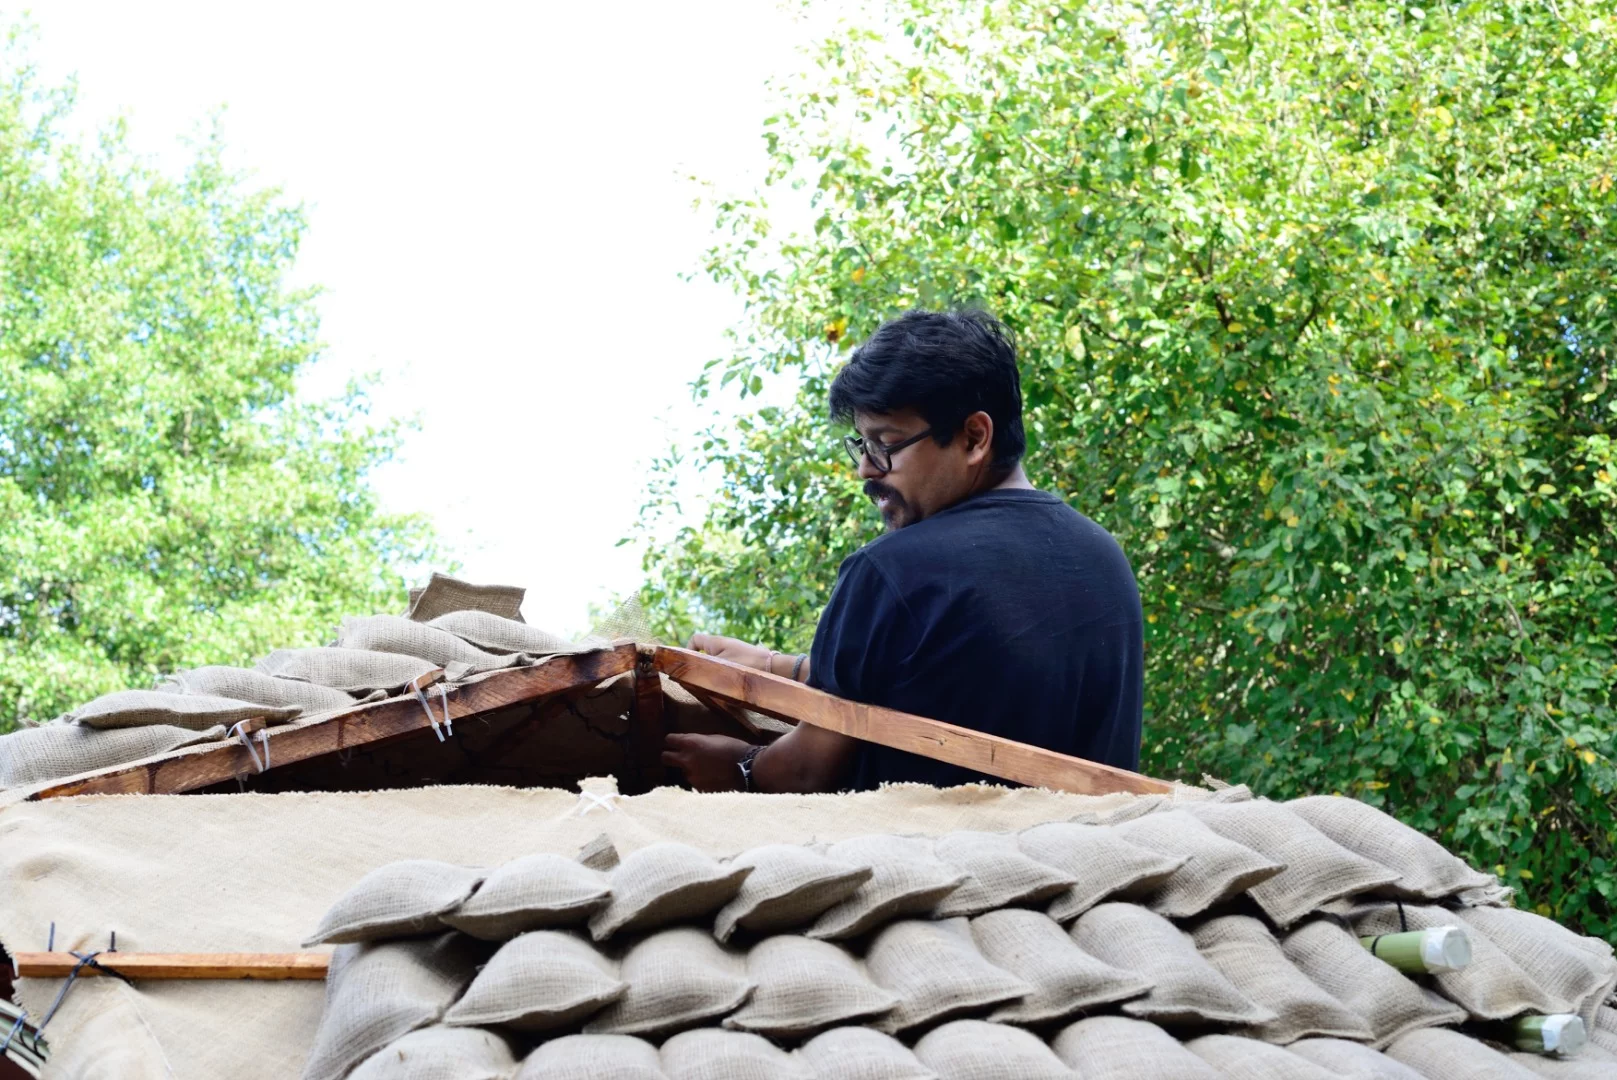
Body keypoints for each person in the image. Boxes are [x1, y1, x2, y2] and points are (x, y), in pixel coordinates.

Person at [661, 309, 1143, 793]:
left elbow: (806, 769)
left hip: (936, 864)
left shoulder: (893, 569)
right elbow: (941, 681)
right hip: (1075, 858)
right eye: (862, 445)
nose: (867, 470)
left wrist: (740, 767)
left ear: (974, 438)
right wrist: (774, 665)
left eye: (885, 444)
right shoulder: (1104, 559)